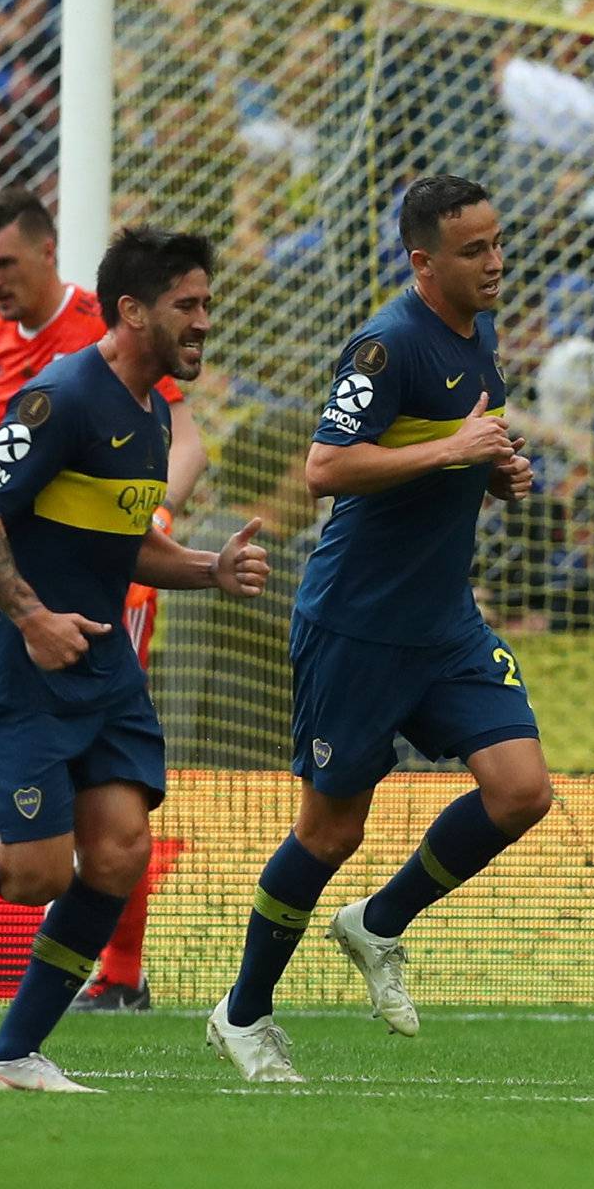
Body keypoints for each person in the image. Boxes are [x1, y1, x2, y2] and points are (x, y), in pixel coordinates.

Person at [0, 225, 268, 1093]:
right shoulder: (64, 393)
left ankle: (10, 1055)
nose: (205, 320)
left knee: (118, 853)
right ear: (134, 309)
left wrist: (208, 570)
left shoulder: (153, 410)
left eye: (208, 302)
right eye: (189, 303)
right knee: (33, 874)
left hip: (102, 666)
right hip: (23, 660)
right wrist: (30, 618)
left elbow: (122, 546)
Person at [208, 175, 554, 1084]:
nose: (496, 261)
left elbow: (457, 449)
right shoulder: (386, 343)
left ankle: (379, 922)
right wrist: (455, 452)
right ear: (422, 261)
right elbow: (325, 466)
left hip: (442, 621)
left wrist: (494, 474)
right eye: (474, 250)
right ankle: (242, 1014)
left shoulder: (478, 338)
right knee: (329, 833)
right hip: (356, 625)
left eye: (496, 241)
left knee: (522, 790)